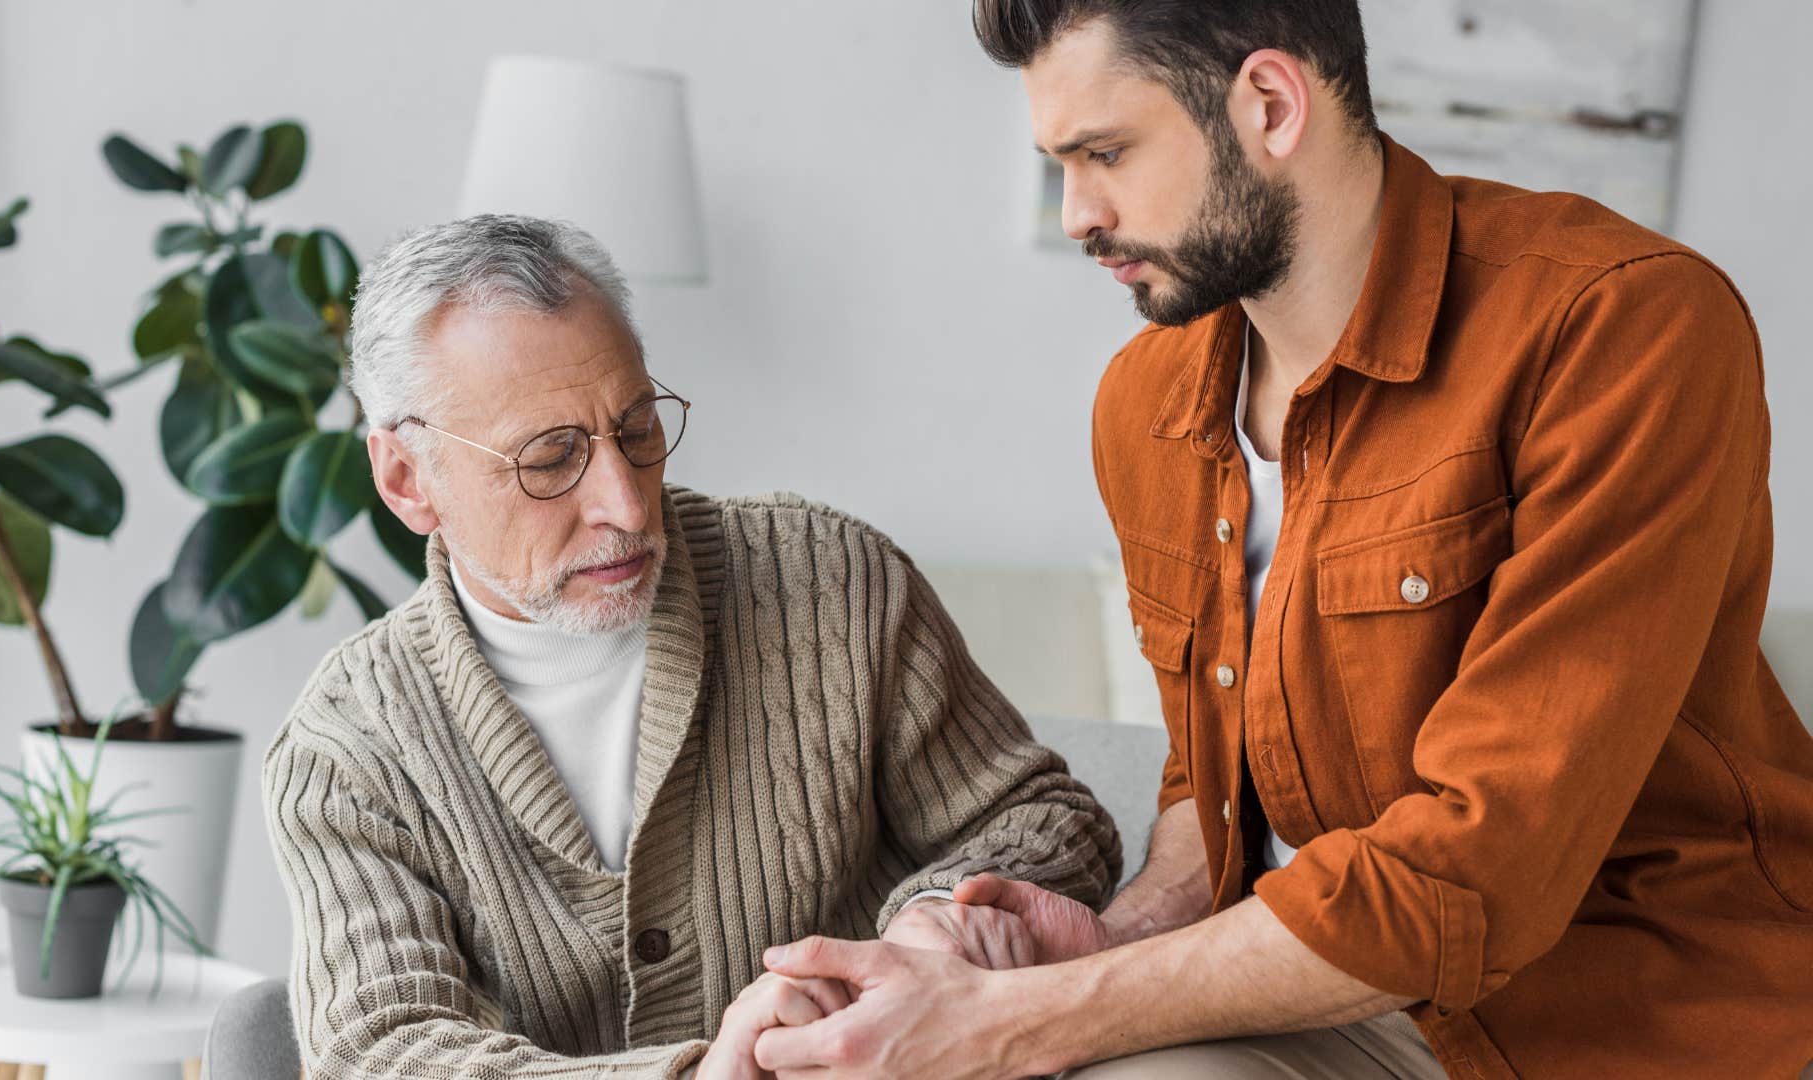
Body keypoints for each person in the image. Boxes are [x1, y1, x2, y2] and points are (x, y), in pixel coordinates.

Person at [750, 3, 1813, 1077]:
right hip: (1310, 1001)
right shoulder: (1148, 401)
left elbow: (1478, 873)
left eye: (1105, 152)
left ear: (1269, 103)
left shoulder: (1622, 327)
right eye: (1059, 164)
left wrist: (1016, 1020)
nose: (1077, 213)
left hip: (1627, 1025)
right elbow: (1215, 786)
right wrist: (1115, 938)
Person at [260, 214, 1121, 1078]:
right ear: (407, 480)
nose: (627, 505)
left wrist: (935, 919)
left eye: (637, 429)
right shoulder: (346, 751)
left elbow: (1047, 821)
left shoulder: (835, 581)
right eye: (551, 458)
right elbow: (382, 1053)